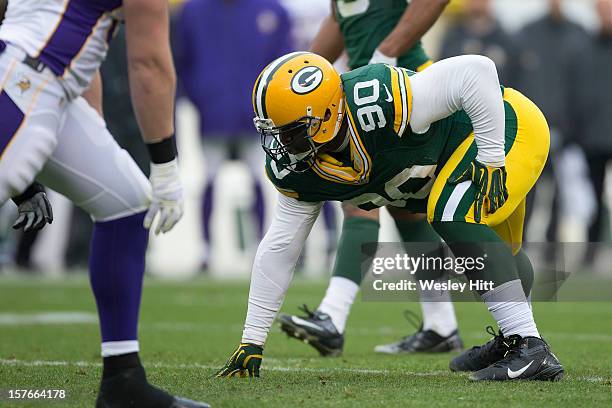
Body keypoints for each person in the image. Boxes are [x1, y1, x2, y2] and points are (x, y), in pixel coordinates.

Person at [215, 51, 564, 382]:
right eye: (274, 132)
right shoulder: (298, 170)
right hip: (467, 149)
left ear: (325, 117)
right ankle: (513, 340)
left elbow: (478, 71)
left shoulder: (378, 102)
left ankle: (528, 345)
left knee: (449, 213)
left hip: (504, 125)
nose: (280, 145)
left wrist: (490, 157)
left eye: (290, 132)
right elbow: (280, 247)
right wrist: (251, 342)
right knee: (505, 250)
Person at [0, 0, 207, 406]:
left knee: (126, 202)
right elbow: (148, 63)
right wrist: (164, 164)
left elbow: (86, 47)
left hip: (47, 82)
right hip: (28, 80)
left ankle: (122, 380)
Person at [278, 0, 462, 359]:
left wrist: (386, 51)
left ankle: (333, 316)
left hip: (406, 92)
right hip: (371, 97)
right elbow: (326, 45)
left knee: (359, 197)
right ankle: (442, 325)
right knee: (406, 211)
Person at [173, 0, 292, 268]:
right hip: (213, 112)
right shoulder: (193, 11)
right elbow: (182, 60)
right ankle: (205, 250)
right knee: (210, 178)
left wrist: (269, 104)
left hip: (257, 116)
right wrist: (201, 98)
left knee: (259, 178)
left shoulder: (271, 10)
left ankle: (258, 247)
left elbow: (284, 63)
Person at [514, 0, 589, 250]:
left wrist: (572, 126)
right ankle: (520, 241)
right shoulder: (526, 32)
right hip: (531, 129)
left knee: (563, 193)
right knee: (528, 189)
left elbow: (580, 84)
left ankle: (553, 244)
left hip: (567, 130)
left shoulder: (578, 32)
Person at [574, 0, 612, 266]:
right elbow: (574, 93)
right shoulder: (582, 47)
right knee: (591, 199)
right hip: (593, 139)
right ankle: (592, 250)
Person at [439, 0, 518, 85]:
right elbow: (441, 74)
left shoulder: (506, 41)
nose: (476, 2)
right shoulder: (453, 38)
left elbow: (516, 78)